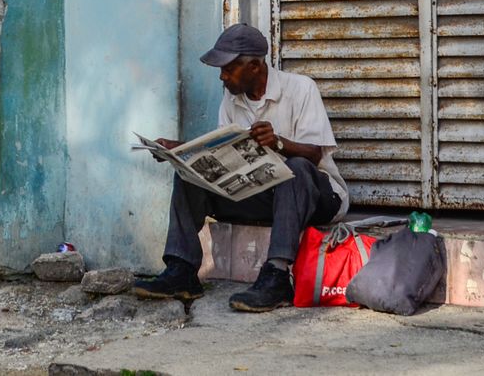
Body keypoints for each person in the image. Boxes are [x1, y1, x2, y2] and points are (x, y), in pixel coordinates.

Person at [133, 23, 350, 312]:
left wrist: (280, 144)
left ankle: (277, 275)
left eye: (228, 69)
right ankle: (181, 270)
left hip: (317, 196)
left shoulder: (300, 88)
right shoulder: (231, 99)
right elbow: (225, 155)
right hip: (262, 194)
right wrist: (182, 151)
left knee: (295, 167)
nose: (222, 76)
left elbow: (313, 154)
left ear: (254, 67)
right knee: (188, 177)